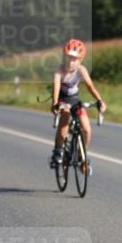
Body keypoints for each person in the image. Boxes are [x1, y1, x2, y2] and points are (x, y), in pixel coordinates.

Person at [50, 39, 106, 172]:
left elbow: (90, 87)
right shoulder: (59, 71)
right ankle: (58, 152)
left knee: (86, 129)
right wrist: (56, 104)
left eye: (74, 59)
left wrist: (100, 101)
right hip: (62, 100)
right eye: (68, 58)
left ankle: (81, 155)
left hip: (75, 100)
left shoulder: (81, 70)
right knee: (64, 121)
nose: (70, 62)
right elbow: (56, 88)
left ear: (80, 60)